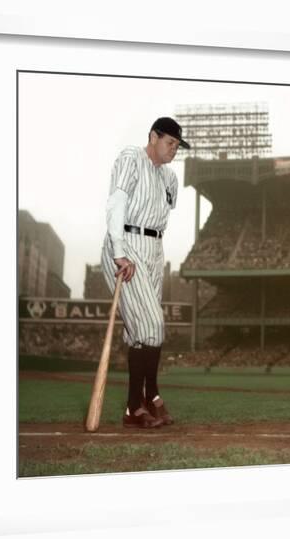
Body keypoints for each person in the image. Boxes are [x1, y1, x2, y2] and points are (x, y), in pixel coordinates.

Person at [101, 117, 190, 428]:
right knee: (153, 325)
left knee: (141, 336)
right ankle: (151, 395)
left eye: (178, 147)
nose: (174, 150)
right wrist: (118, 252)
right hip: (129, 245)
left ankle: (132, 409)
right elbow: (117, 203)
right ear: (153, 136)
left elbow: (167, 205)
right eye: (170, 143)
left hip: (155, 249)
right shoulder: (131, 158)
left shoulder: (169, 177)